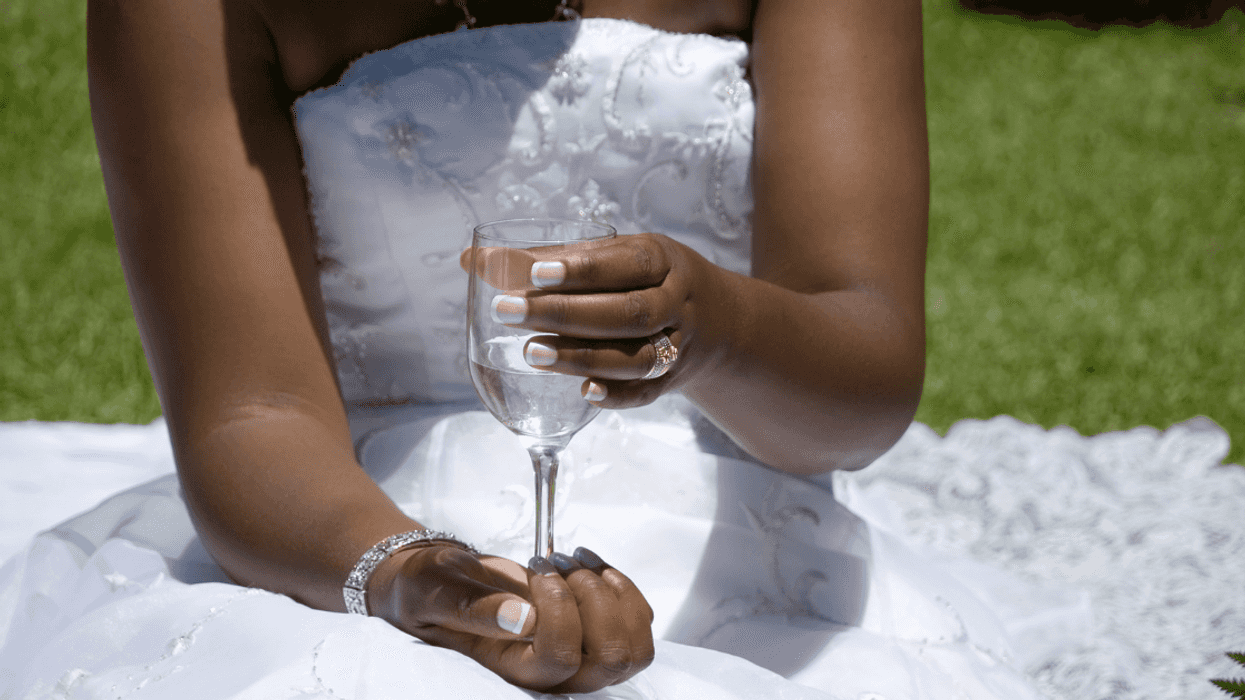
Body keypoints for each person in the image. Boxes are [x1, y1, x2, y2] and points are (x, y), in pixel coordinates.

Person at [1, 0, 1240, 698]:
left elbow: (861, 387)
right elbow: (249, 417)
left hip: (738, 536)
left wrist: (717, 325)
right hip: (339, 518)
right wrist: (409, 577)